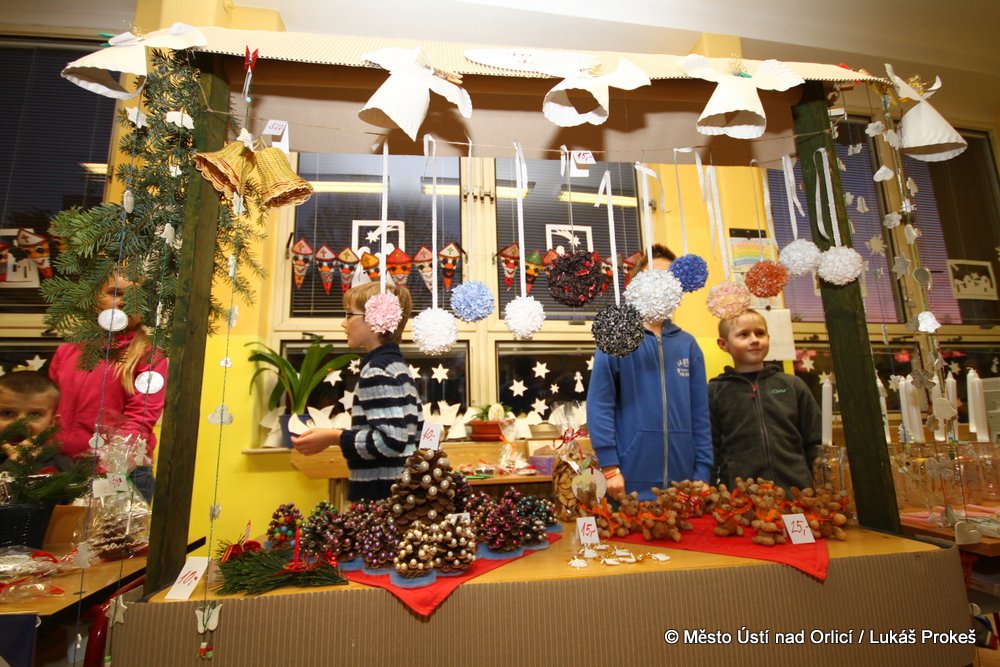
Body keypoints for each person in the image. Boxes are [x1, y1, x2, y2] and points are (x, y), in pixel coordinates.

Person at [586, 244, 712, 501]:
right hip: (627, 481)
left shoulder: (688, 345)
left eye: (669, 278)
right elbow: (600, 403)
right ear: (637, 283)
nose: (661, 284)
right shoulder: (617, 336)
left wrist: (703, 470)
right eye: (653, 277)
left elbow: (700, 413)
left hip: (684, 484)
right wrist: (610, 468)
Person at [291, 282, 424, 502]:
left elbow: (391, 441)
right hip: (402, 495)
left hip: (382, 496)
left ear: (375, 321)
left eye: (349, 314)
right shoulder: (398, 368)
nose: (344, 323)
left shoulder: (377, 371)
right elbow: (420, 431)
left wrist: (334, 437)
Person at [49, 274, 168, 502]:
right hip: (61, 466)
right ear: (94, 298)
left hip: (121, 471)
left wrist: (108, 467)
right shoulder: (67, 351)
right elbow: (49, 408)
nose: (123, 302)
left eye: (135, 298)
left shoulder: (149, 356)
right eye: (115, 293)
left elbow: (140, 418)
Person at [709, 309, 821, 492]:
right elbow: (711, 449)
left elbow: (816, 442)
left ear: (768, 338)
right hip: (741, 497)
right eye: (744, 334)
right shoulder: (715, 391)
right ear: (724, 344)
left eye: (760, 333)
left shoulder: (793, 385)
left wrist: (819, 483)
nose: (754, 340)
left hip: (797, 494)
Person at [0, 370, 74, 472]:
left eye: (34, 415)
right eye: (7, 413)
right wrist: (14, 463)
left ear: (52, 424)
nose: (20, 424)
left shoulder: (63, 466)